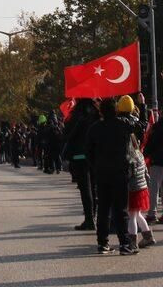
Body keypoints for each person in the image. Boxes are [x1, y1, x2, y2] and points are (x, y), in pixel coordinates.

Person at [86, 96, 136, 255]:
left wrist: (96, 166)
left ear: (101, 111)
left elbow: (88, 152)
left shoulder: (94, 128)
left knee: (103, 209)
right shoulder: (123, 125)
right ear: (116, 110)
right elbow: (141, 125)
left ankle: (102, 243)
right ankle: (125, 244)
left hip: (102, 172)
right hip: (120, 171)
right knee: (121, 209)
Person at [122, 98, 154, 252]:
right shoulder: (139, 154)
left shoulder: (130, 158)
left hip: (133, 187)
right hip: (141, 186)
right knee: (137, 213)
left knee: (132, 216)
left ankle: (132, 242)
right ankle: (148, 236)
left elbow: (129, 173)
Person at [62, 99, 98, 231]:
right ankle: (93, 216)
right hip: (94, 155)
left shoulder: (76, 114)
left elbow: (67, 135)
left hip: (79, 155)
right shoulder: (96, 113)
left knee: (85, 188)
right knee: (93, 187)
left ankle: (89, 219)